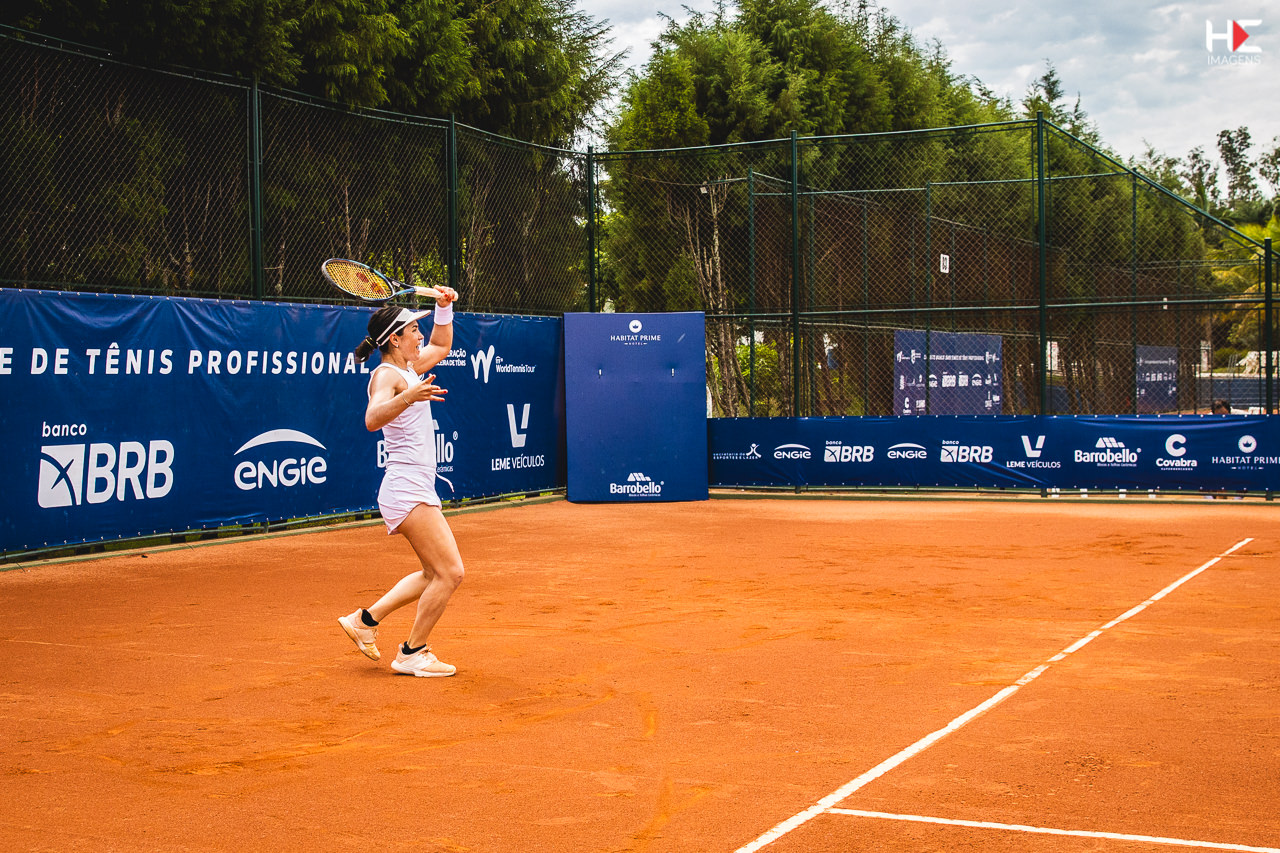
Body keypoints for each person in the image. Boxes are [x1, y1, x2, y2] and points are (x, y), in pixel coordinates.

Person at [339, 287, 463, 677]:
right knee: (450, 573)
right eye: (413, 330)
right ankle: (412, 651)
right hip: (406, 487)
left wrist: (443, 308)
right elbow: (372, 419)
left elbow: (441, 344)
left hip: (415, 485)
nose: (420, 336)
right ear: (394, 339)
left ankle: (365, 621)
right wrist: (409, 396)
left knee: (431, 573)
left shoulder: (409, 370)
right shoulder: (386, 375)